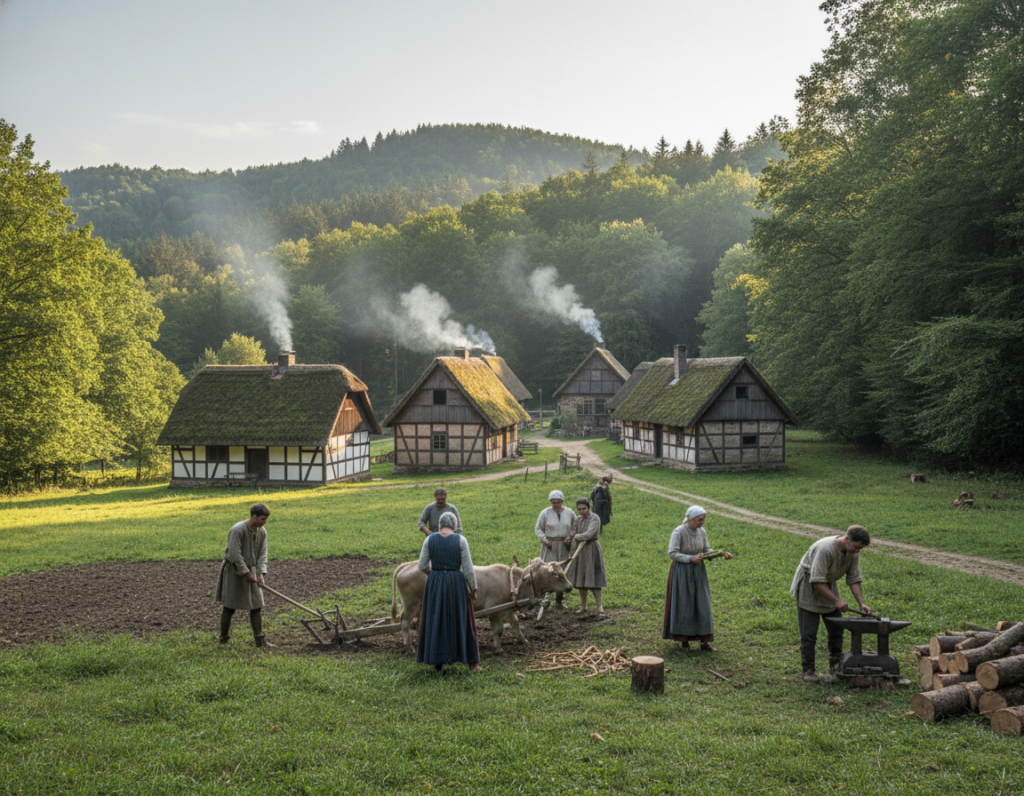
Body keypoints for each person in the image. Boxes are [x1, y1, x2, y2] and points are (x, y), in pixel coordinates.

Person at [790, 525, 872, 682]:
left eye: (860, 548)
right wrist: (836, 600)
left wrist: (861, 604)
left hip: (828, 585)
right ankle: (808, 670)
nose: (857, 551)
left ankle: (835, 667)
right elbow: (817, 581)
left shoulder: (852, 553)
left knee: (836, 631)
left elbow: (854, 578)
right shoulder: (825, 549)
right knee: (809, 633)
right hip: (809, 586)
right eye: (856, 547)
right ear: (847, 539)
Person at [416, 512, 482, 673]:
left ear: (439, 526)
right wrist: (473, 588)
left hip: (435, 583)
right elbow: (467, 568)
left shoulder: (429, 540)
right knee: (462, 619)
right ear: (454, 525)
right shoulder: (461, 540)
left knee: (436, 619)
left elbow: (422, 565)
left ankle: (439, 665)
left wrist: (435, 575)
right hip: (456, 583)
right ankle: (473, 665)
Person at [662, 505, 732, 652]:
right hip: (682, 572)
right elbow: (672, 553)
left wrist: (720, 554)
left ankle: (704, 641)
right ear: (690, 519)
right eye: (699, 520)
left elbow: (706, 549)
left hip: (698, 572)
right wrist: (690, 558)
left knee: (702, 604)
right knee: (684, 604)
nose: (702, 522)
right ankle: (684, 642)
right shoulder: (679, 532)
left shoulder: (702, 531)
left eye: (703, 519)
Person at [215, 502, 273, 648]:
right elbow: (235, 554)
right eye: (262, 519)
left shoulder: (262, 531)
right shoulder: (237, 530)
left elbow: (262, 553)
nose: (264, 522)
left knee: (256, 606)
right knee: (229, 606)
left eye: (265, 519)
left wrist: (260, 573)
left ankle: (260, 640)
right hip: (234, 570)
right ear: (254, 516)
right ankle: (223, 640)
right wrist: (244, 572)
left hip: (251, 570)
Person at [565, 497, 607, 615]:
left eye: (584, 509)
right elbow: (573, 531)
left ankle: (599, 607)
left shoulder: (595, 518)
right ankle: (583, 606)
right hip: (579, 551)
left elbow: (589, 534)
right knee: (581, 579)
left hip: (591, 549)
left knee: (594, 579)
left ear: (589, 508)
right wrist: (569, 537)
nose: (581, 511)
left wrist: (576, 537)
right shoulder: (578, 519)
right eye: (579, 509)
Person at [534, 489, 576, 605]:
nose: (556, 504)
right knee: (548, 569)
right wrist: (544, 539)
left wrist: (570, 536)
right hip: (550, 545)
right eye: (553, 502)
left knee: (561, 570)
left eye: (558, 502)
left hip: (564, 545)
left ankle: (559, 599)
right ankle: (546, 597)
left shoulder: (569, 512)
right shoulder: (545, 513)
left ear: (562, 501)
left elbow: (575, 527)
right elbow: (538, 528)